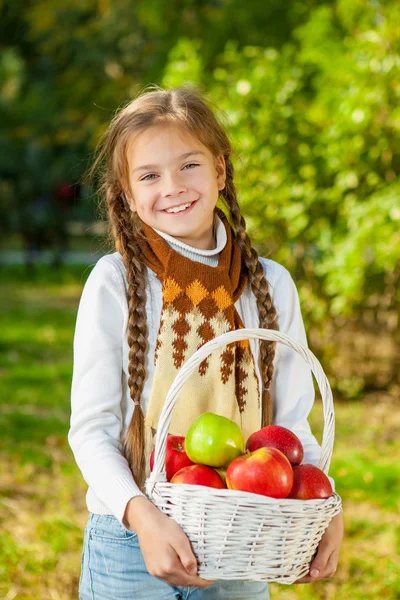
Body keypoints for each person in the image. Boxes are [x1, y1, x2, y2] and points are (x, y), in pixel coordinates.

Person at [68, 86, 343, 600]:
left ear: (220, 170)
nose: (172, 186)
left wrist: (322, 504)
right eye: (149, 175)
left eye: (189, 165)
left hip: (242, 535)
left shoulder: (272, 285)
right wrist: (144, 519)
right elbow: (91, 430)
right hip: (130, 543)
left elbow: (290, 425)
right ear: (127, 194)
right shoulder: (114, 282)